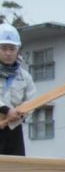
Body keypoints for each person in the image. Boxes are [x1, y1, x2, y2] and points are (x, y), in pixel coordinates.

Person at [0, 22, 35, 156]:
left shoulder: (25, 77)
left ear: (18, 50)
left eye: (12, 49)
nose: (8, 53)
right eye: (3, 48)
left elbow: (31, 101)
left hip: (14, 129)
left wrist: (19, 113)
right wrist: (7, 110)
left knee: (14, 169)